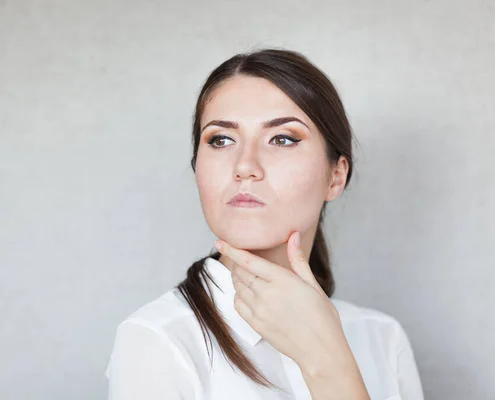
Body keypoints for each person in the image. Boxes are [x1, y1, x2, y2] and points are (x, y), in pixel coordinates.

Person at [105, 48, 424, 400]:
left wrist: (329, 363)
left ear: (335, 176)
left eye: (282, 139)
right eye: (221, 140)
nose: (245, 165)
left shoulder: (381, 336)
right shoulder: (158, 339)